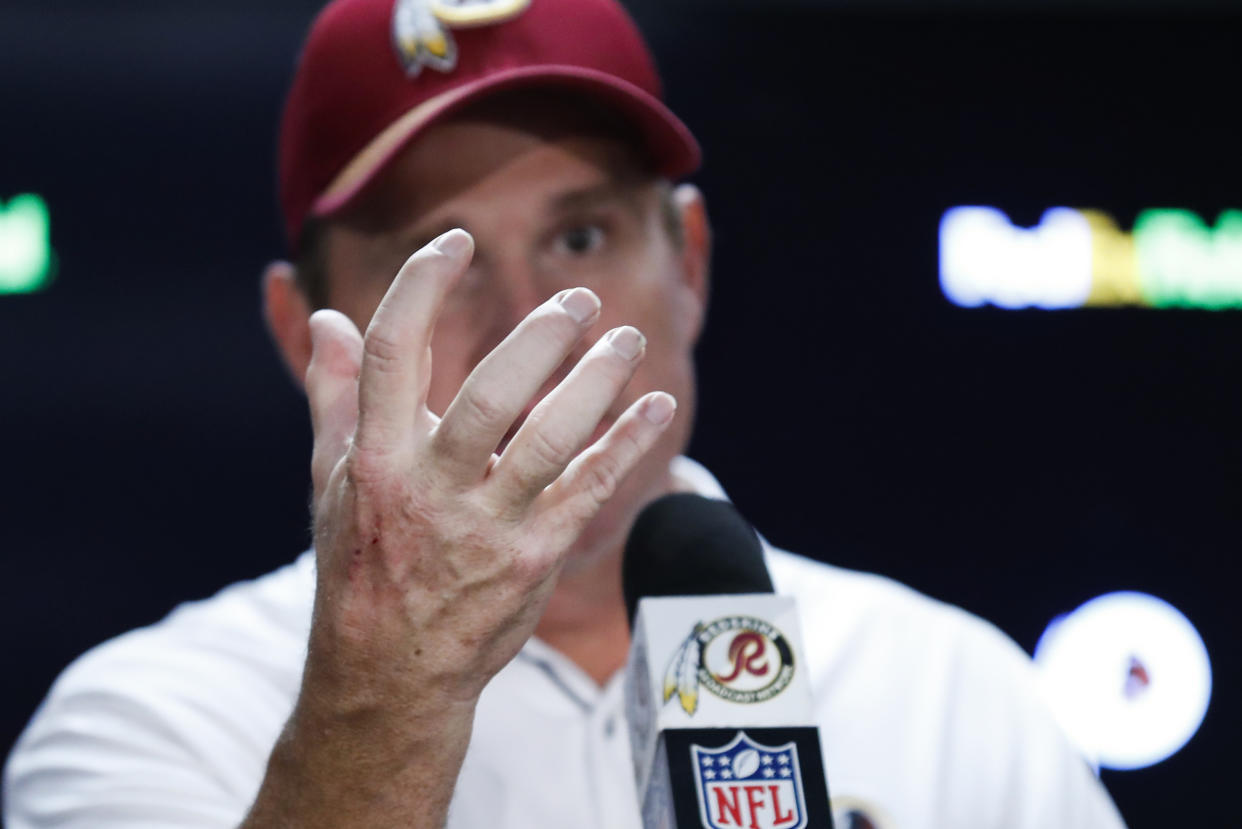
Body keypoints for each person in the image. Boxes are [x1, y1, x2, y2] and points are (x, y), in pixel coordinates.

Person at [4, 0, 1127, 827]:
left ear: (687, 261)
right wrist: (394, 684)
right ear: (310, 337)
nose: (529, 321)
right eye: (433, 262)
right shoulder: (150, 718)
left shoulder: (956, 696)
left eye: (580, 237)